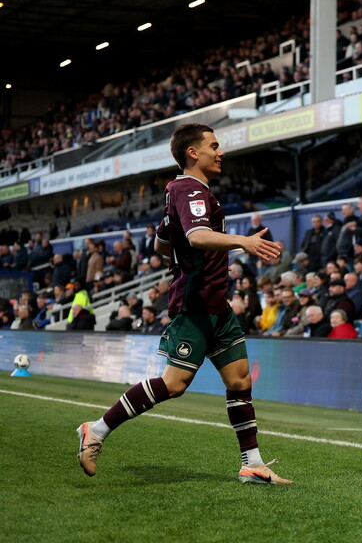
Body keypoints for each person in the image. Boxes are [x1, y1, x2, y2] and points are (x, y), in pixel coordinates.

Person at [76, 123, 291, 484]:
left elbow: (162, 243)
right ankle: (95, 430)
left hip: (217, 304)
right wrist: (244, 242)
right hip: (194, 304)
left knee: (239, 381)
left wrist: (182, 237)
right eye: (214, 145)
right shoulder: (190, 190)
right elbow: (197, 236)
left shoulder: (182, 192)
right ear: (193, 152)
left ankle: (252, 463)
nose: (220, 152)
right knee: (174, 385)